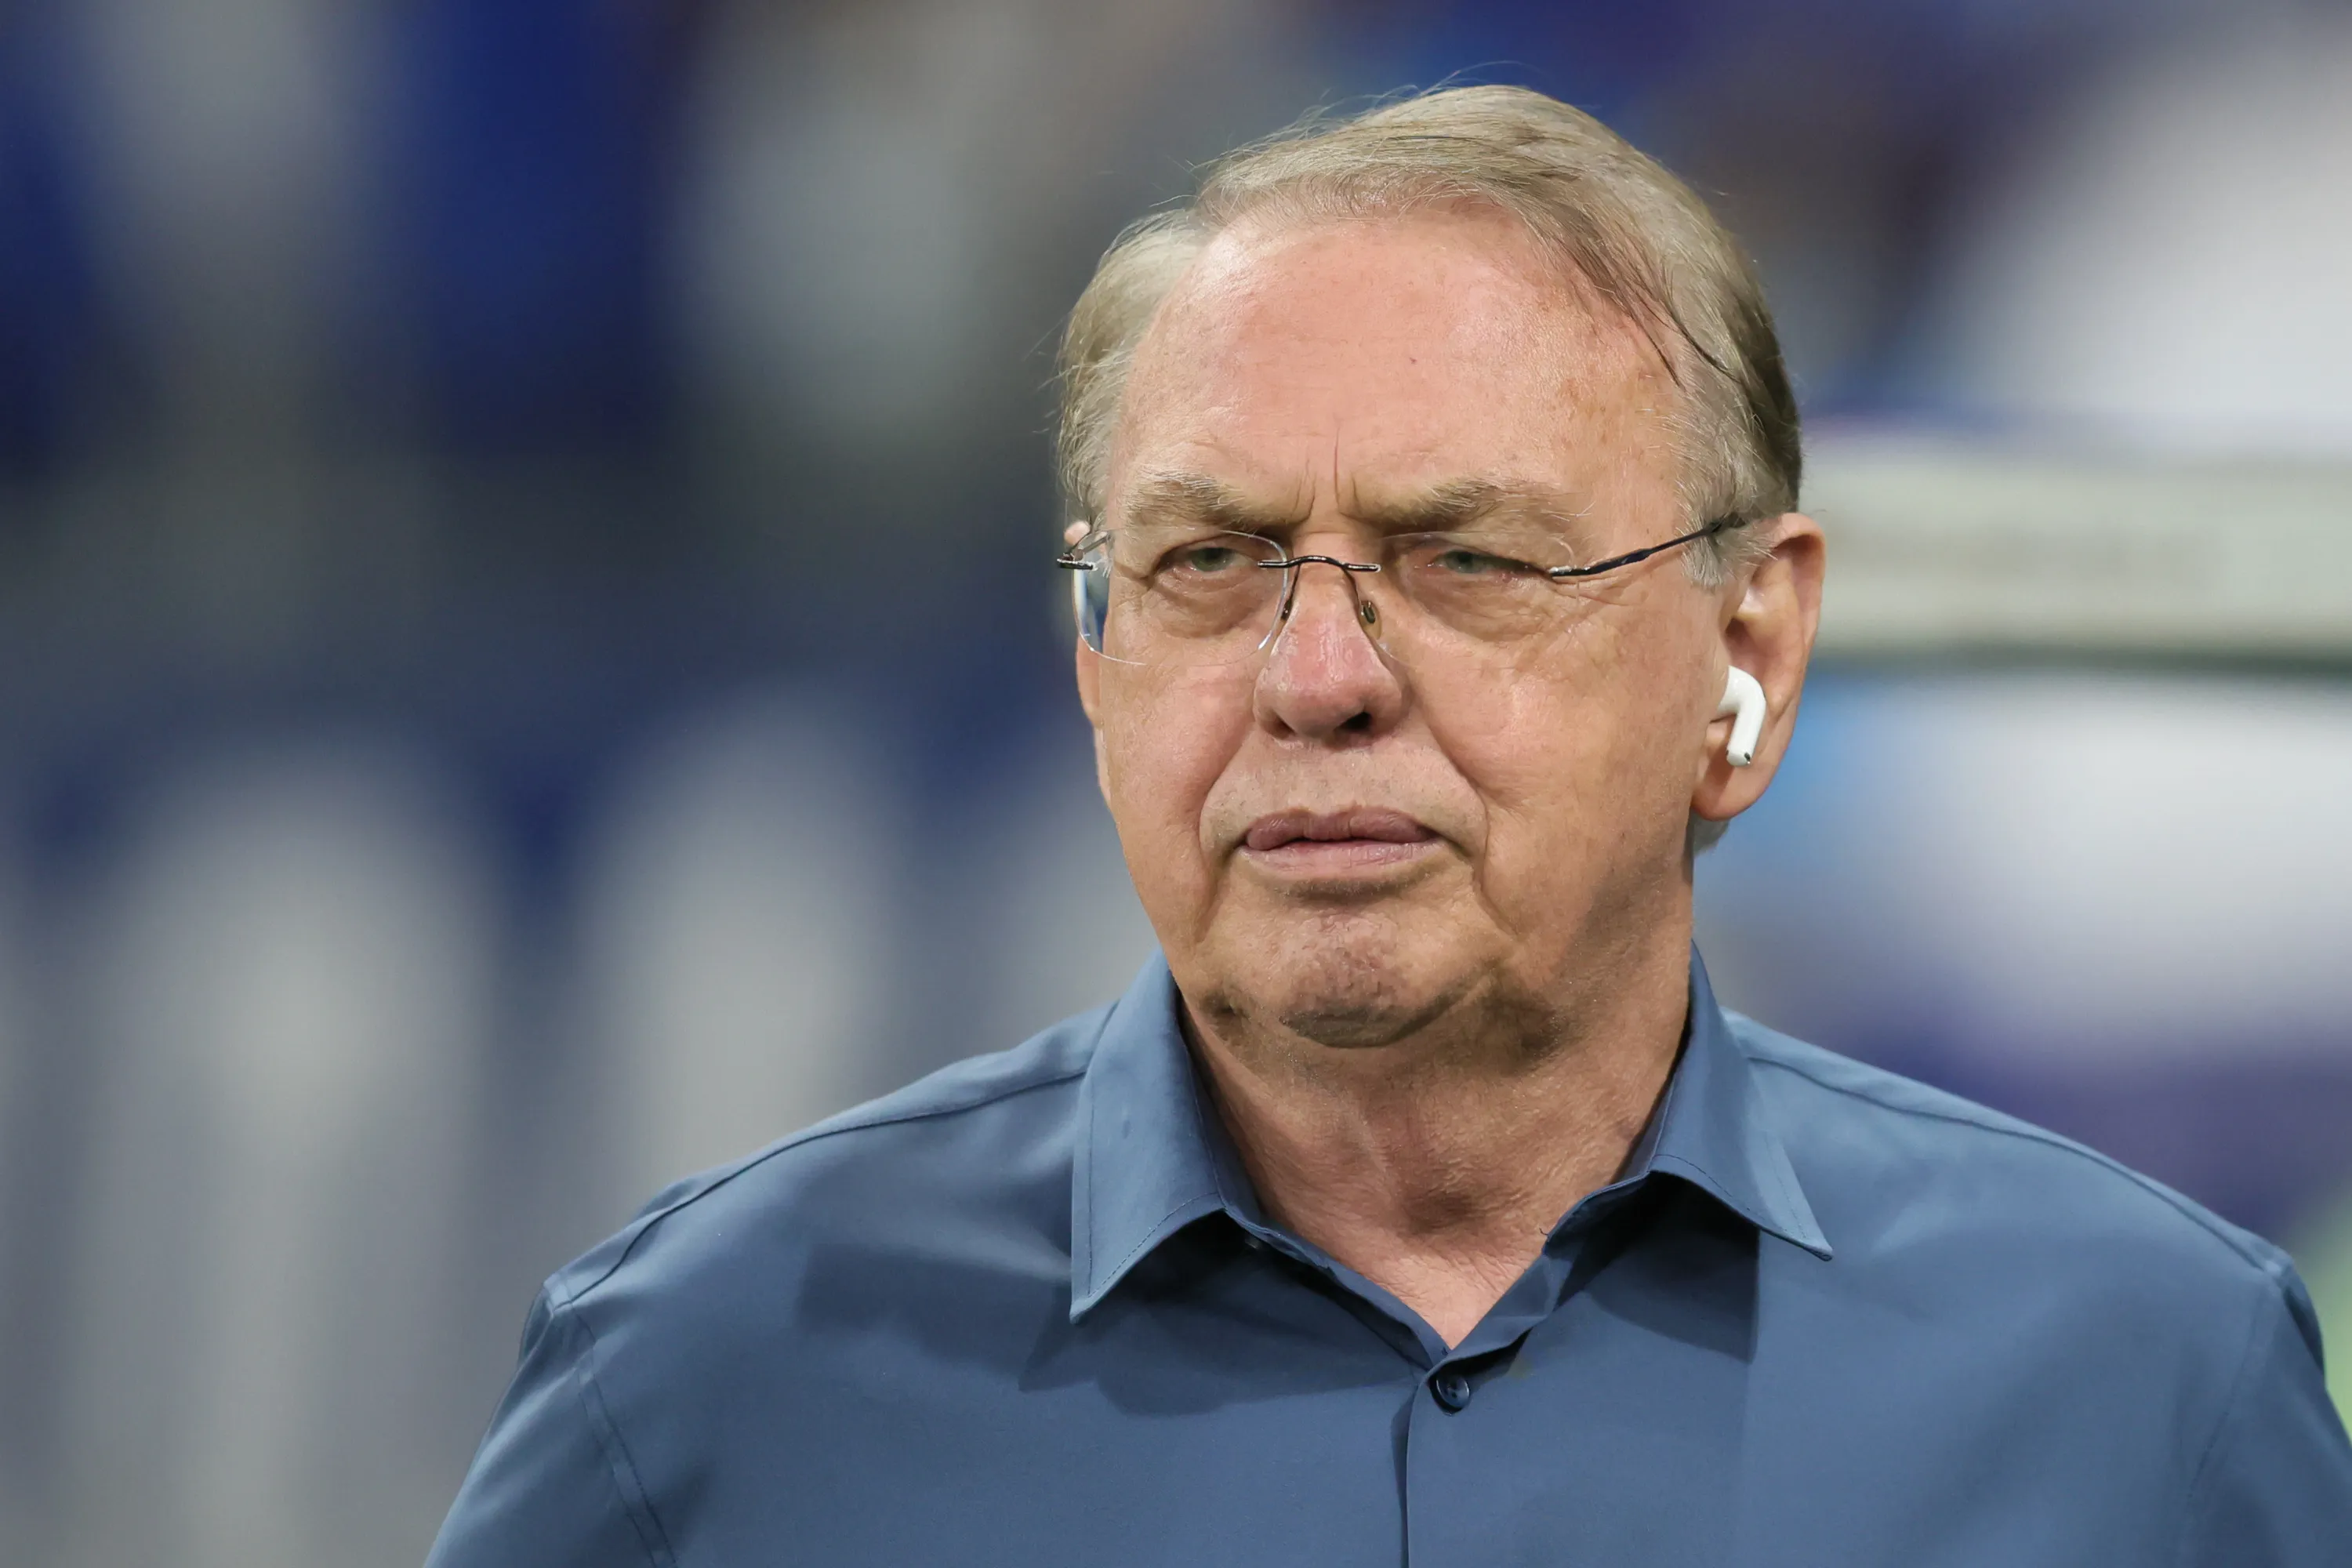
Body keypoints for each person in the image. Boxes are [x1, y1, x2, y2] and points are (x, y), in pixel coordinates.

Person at [426, 85, 2352, 1564]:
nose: (1318, 674)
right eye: (1209, 561)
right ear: (1095, 659)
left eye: (1467, 559)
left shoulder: (2146, 1386)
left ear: (1749, 648)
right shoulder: (700, 1386)